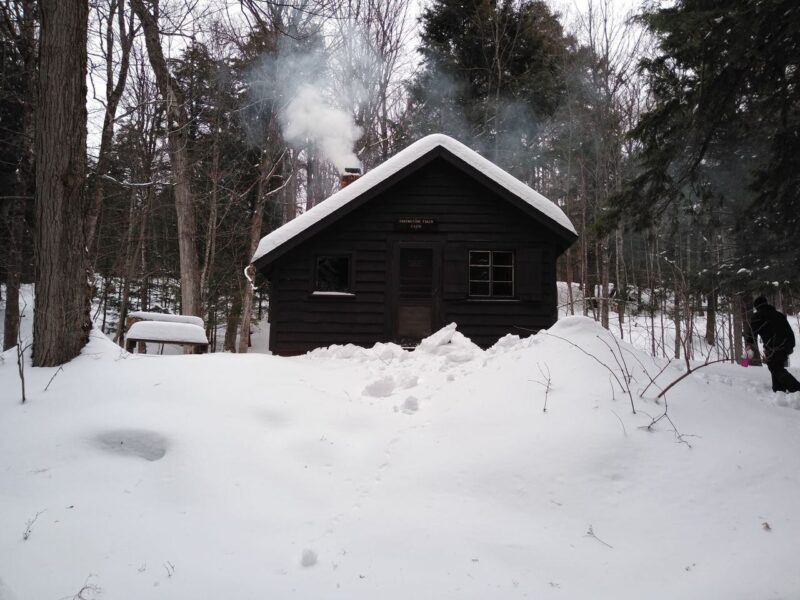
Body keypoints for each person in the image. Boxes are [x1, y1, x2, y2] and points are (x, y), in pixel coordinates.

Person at [746, 296, 800, 393]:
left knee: (776, 368)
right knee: (775, 367)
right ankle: (779, 391)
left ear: (756, 307)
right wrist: (790, 346)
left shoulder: (757, 317)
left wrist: (747, 352)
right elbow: (789, 332)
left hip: (773, 347)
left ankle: (797, 388)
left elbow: (751, 336)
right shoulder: (779, 315)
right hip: (786, 345)